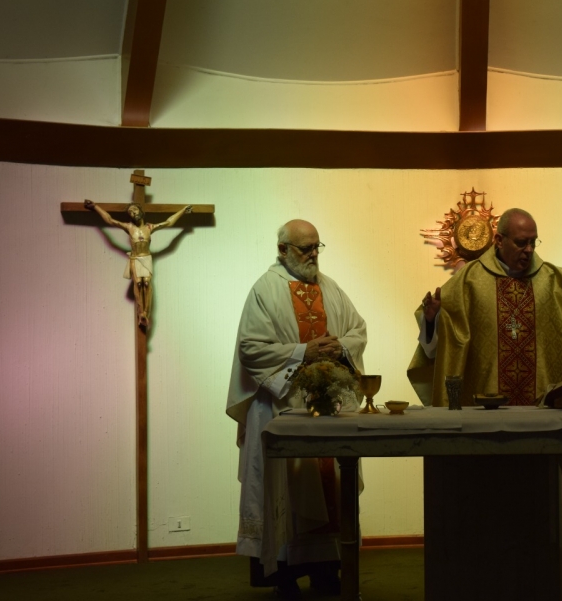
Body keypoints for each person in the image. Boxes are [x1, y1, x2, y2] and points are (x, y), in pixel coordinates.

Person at [407, 207, 562, 571]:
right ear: (499, 240)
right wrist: (431, 319)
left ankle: (542, 573)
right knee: (489, 512)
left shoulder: (557, 282)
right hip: (488, 425)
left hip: (543, 421)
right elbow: (440, 345)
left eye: (534, 242)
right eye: (521, 242)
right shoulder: (468, 282)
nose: (529, 249)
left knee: (541, 505)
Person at [226, 219, 367, 599]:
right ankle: (283, 575)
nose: (314, 254)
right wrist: (304, 352)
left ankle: (325, 571)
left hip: (328, 408)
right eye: (306, 248)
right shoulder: (265, 289)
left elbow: (358, 330)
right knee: (284, 491)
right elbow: (250, 348)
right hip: (279, 406)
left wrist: (341, 347)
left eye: (318, 246)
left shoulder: (331, 288)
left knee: (330, 487)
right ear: (283, 250)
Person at [84, 200, 192, 329]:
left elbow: (168, 222)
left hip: (146, 257)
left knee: (146, 282)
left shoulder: (149, 227)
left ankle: (146, 312)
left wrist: (182, 211)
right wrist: (96, 207)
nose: (133, 213)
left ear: (141, 211)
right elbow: (110, 220)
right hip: (135, 258)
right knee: (138, 283)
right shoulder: (129, 227)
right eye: (130, 212)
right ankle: (141, 312)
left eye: (134, 210)